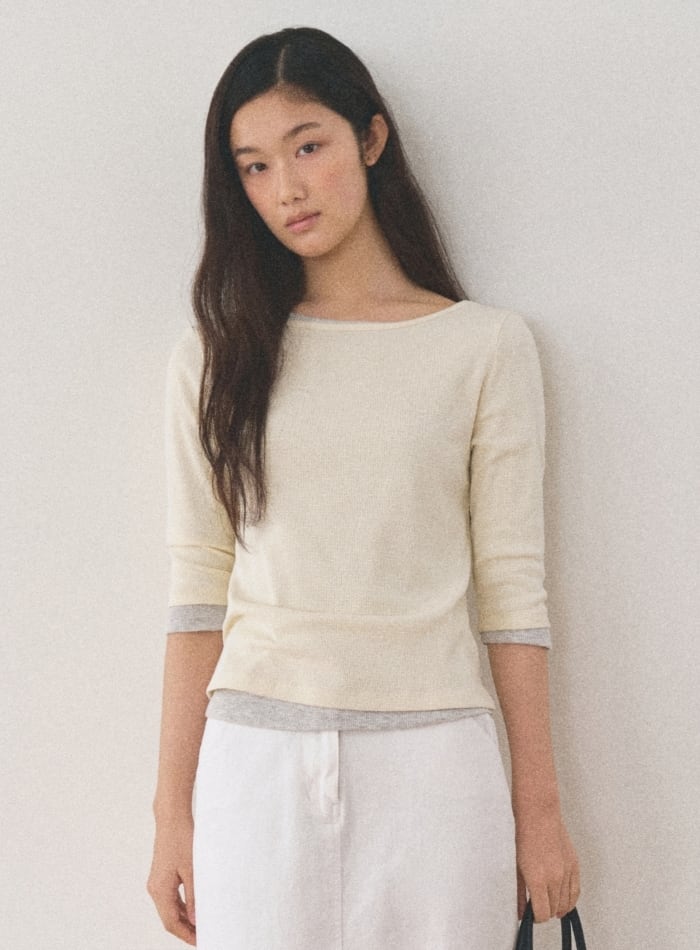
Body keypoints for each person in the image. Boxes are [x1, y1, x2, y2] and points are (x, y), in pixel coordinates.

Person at [146, 25, 580, 950]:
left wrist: (538, 810)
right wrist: (170, 813)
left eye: (309, 147)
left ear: (371, 137)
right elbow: (197, 591)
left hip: (436, 767)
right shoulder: (216, 359)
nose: (287, 189)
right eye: (255, 166)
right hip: (254, 768)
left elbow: (513, 596)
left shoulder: (484, 348)